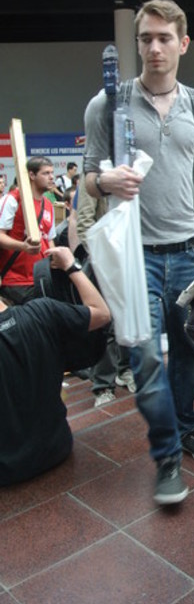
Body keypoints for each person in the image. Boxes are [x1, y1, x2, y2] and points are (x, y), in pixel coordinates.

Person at [83, 0, 194, 506]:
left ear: (183, 44)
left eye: (165, 38)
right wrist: (105, 179)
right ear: (137, 42)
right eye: (146, 38)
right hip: (133, 254)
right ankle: (166, 456)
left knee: (192, 355)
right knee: (142, 356)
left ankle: (185, 424)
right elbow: (87, 178)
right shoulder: (108, 103)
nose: (155, 47)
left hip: (188, 251)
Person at [0, 245, 111, 486]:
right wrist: (71, 266)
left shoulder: (44, 312)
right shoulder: (43, 312)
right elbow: (102, 313)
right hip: (56, 449)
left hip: (6, 470)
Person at [75, 176, 135, 406]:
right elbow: (84, 222)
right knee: (106, 323)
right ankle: (102, 386)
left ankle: (125, 369)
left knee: (128, 319)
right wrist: (102, 257)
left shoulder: (134, 171)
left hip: (131, 258)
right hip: (105, 261)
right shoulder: (95, 177)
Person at [0, 156, 56, 304]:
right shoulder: (13, 199)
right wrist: (23, 247)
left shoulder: (49, 204)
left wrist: (55, 259)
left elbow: (49, 240)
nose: (51, 177)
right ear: (32, 175)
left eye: (52, 172)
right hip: (16, 282)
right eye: (46, 173)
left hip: (42, 279)